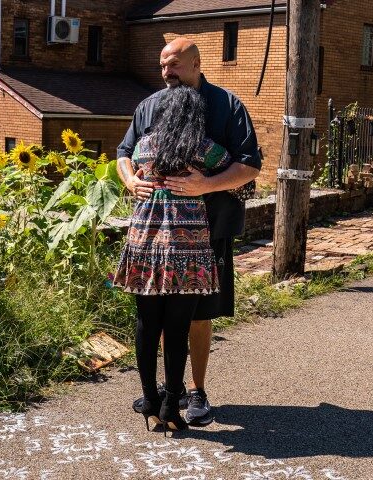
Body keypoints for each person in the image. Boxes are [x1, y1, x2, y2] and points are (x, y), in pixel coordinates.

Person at [116, 37, 261, 426]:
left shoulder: (228, 106)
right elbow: (123, 154)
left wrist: (206, 185)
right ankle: (168, 391)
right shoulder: (149, 107)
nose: (167, 72)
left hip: (209, 230)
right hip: (154, 236)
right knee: (163, 316)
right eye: (163, 65)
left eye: (175, 65)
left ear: (197, 64)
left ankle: (196, 391)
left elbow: (249, 166)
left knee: (198, 315)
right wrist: (131, 181)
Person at [113, 85, 235, 433]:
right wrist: (206, 182)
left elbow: (130, 164)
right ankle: (171, 407)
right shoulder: (204, 149)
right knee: (177, 328)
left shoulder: (144, 146)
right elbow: (241, 178)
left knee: (146, 324)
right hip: (188, 245)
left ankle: (150, 402)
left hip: (145, 241)